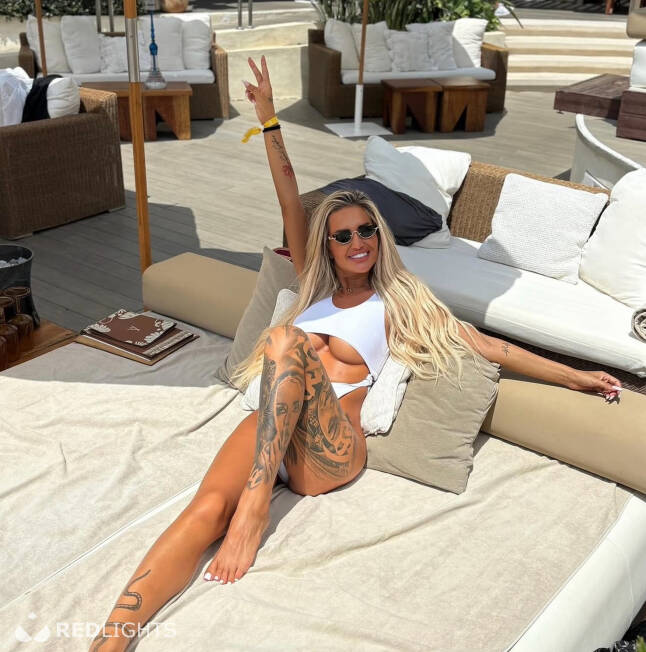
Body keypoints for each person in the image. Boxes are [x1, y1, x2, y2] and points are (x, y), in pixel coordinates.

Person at [90, 56, 622, 651]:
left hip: (331, 450)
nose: (357, 241)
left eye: (366, 230)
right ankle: (110, 639)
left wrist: (576, 376)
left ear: (379, 237)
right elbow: (289, 198)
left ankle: (256, 508)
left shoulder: (400, 301)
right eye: (342, 235)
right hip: (270, 435)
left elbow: (488, 345)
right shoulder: (312, 290)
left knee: (285, 342)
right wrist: (269, 120)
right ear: (328, 246)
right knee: (205, 509)